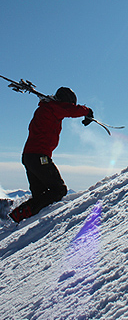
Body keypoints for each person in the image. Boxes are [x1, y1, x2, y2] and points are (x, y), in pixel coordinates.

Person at [9, 87, 94, 223]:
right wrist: (87, 111)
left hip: (29, 156)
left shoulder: (47, 108)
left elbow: (66, 109)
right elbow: (70, 110)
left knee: (41, 195)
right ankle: (21, 215)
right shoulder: (53, 108)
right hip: (39, 156)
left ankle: (21, 218)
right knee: (58, 190)